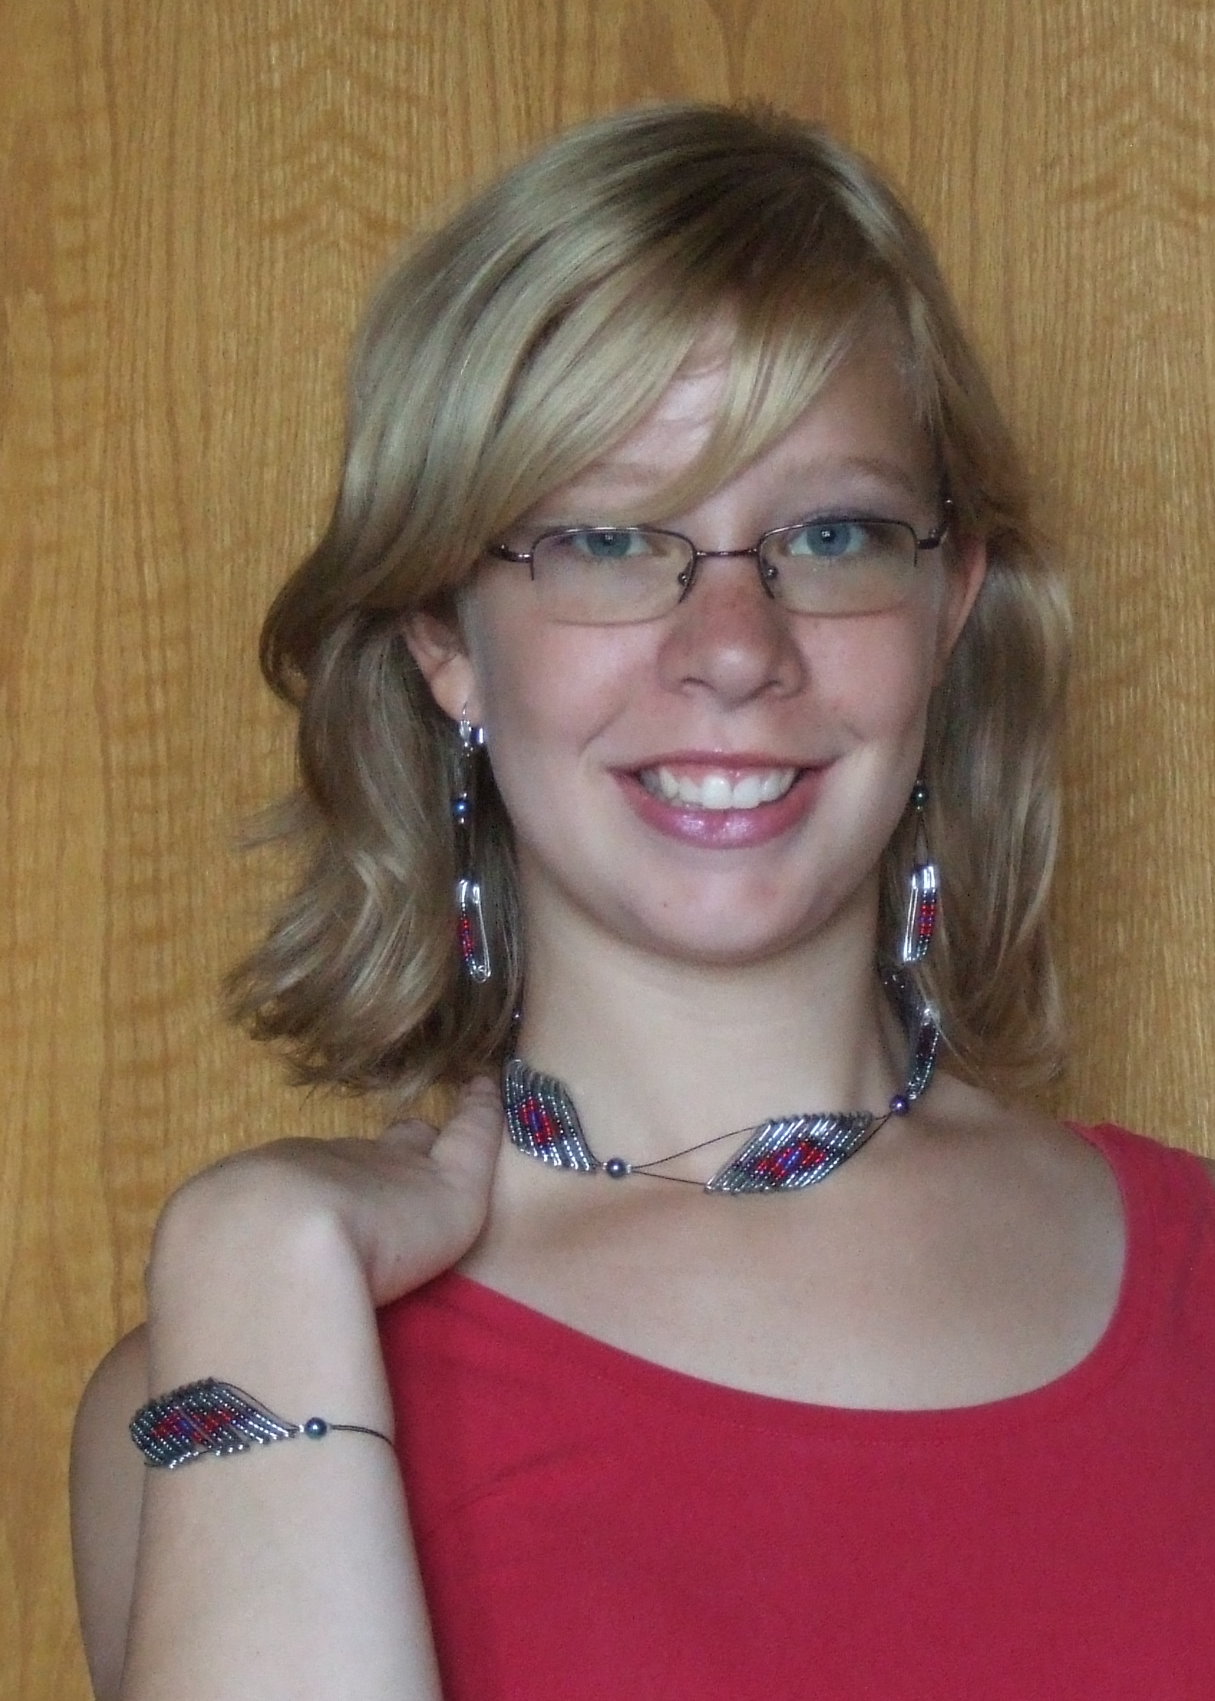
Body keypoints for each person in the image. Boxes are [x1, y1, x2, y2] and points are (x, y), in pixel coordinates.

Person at [69, 103, 1215, 1701]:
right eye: (607, 538)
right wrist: (248, 1250)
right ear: (444, 635)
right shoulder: (237, 1369)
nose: (734, 646)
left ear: (949, 606)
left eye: (832, 533)